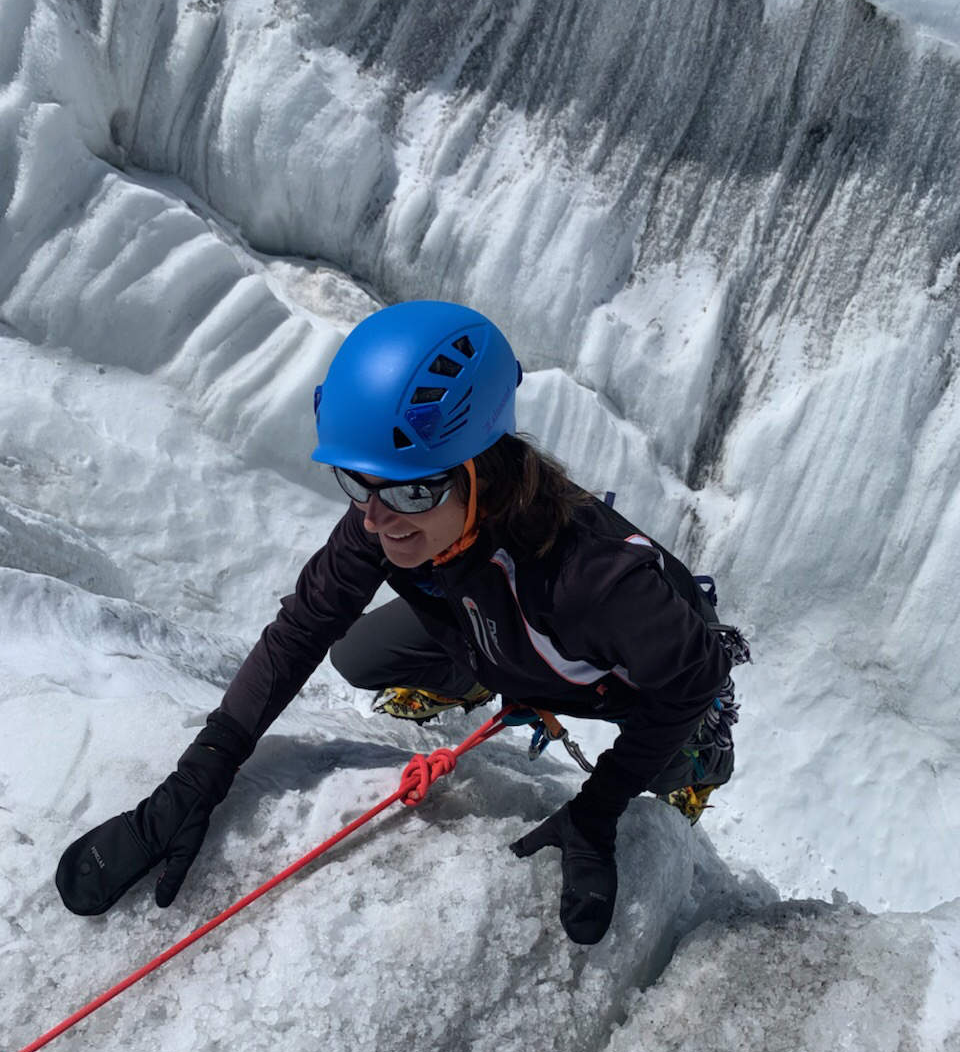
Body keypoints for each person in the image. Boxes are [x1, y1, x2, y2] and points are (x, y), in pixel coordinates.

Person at [57, 301, 746, 944]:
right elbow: (303, 627)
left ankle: (702, 756)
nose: (377, 517)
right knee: (358, 655)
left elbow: (691, 678)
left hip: (631, 673)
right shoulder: (393, 514)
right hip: (503, 632)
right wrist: (201, 771)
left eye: (412, 489)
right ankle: (495, 673)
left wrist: (598, 811)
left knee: (671, 752)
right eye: (359, 483)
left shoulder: (592, 582)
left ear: (480, 469)